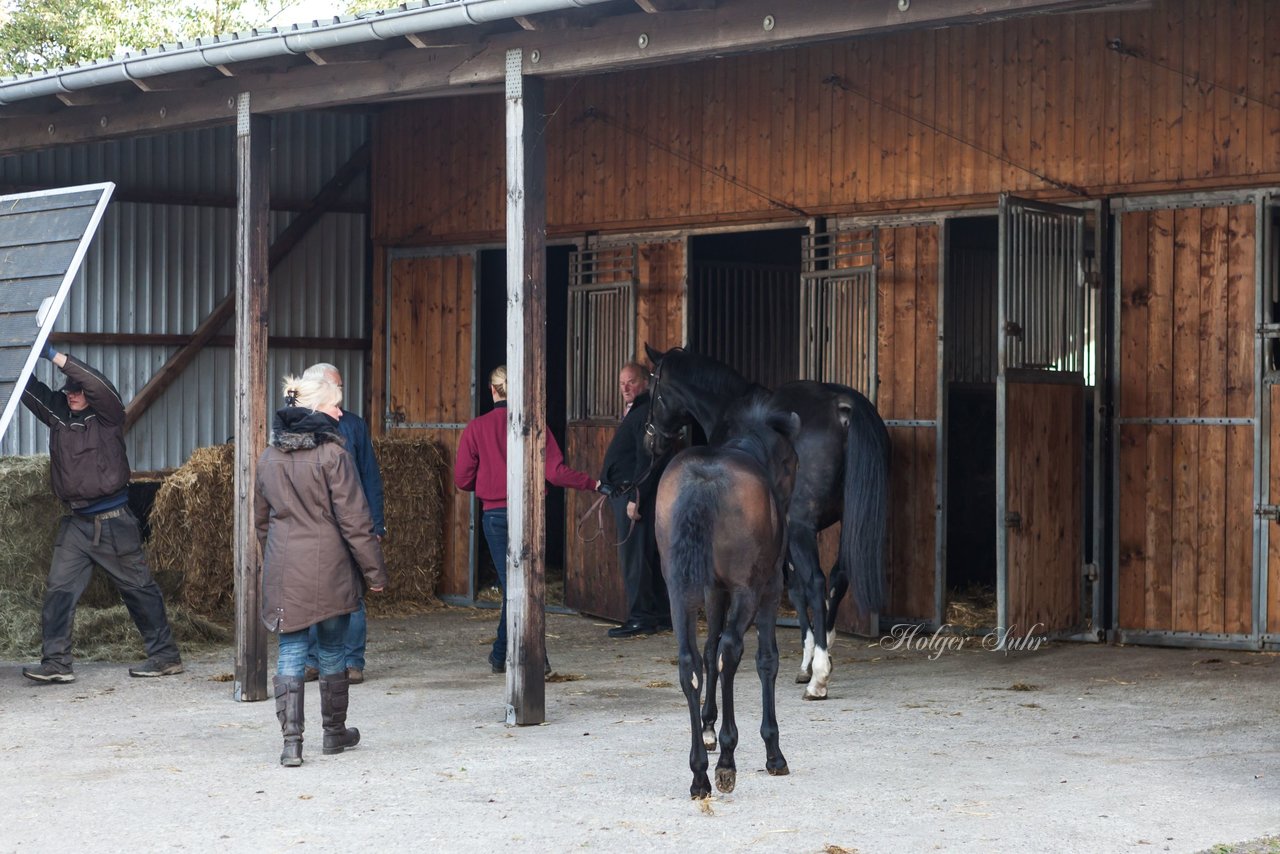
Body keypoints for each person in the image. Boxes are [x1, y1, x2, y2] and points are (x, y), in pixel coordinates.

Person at [19, 345, 183, 683]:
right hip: (77, 525)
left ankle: (165, 656)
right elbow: (27, 388)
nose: (74, 396)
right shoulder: (59, 416)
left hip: (114, 523)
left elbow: (97, 383)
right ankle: (56, 663)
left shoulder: (108, 415)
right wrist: (20, 356)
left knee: (138, 588)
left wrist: (53, 355)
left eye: (79, 391)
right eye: (70, 392)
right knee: (58, 590)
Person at [256, 371, 387, 767]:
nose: (338, 410)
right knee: (332, 647)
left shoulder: (269, 456)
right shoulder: (334, 455)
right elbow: (355, 520)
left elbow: (262, 521)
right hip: (331, 568)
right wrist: (374, 572)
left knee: (291, 648)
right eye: (333, 403)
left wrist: (278, 554)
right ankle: (333, 733)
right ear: (317, 408)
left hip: (284, 567)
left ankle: (291, 743)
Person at [454, 365, 605, 674]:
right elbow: (554, 472)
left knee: (513, 588)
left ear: (492, 390)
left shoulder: (476, 428)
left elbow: (462, 479)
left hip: (495, 516)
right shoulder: (535, 425)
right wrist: (593, 483)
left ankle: (505, 655)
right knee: (525, 588)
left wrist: (488, 481)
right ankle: (517, 657)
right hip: (529, 515)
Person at [299, 362, 385, 686]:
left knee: (353, 595)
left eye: (341, 388)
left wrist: (376, 525)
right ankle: (312, 660)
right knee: (310, 593)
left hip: (350, 524)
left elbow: (369, 476)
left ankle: (352, 661)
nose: (340, 395)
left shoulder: (354, 426)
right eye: (335, 388)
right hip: (313, 525)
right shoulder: (296, 430)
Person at [600, 361, 671, 638]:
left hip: (633, 493)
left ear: (645, 383)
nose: (625, 388)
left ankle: (641, 617)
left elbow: (646, 459)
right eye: (621, 383)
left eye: (631, 382)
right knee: (646, 556)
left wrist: (636, 497)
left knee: (636, 558)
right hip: (629, 492)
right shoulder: (641, 411)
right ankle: (660, 615)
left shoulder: (644, 413)